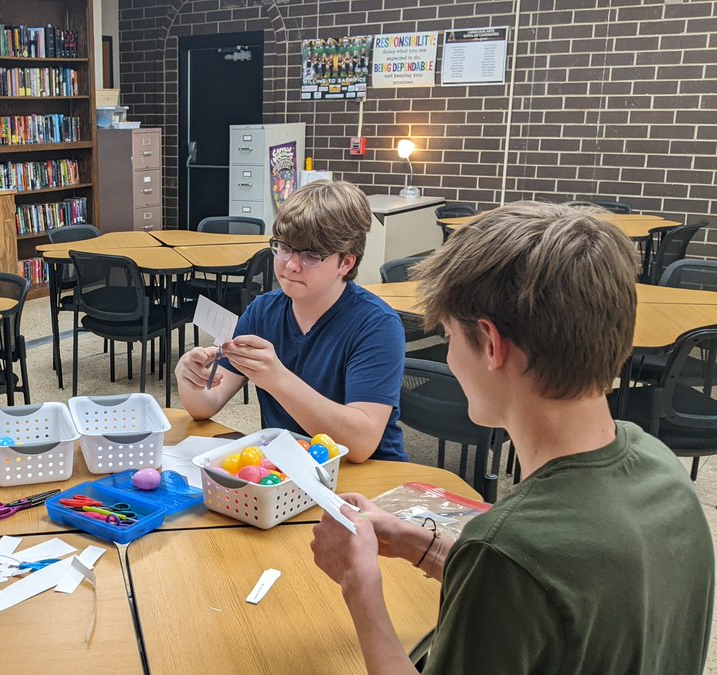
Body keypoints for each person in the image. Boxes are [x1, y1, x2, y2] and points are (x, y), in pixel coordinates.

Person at [309, 201, 715, 673]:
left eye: (448, 338)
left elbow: (521, 569)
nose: (450, 357)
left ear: (491, 345)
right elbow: (559, 593)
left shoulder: (507, 550)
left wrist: (358, 584)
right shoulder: (660, 465)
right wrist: (418, 544)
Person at [175, 180, 406, 462]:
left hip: (368, 473)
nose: (291, 265)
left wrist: (277, 379)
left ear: (346, 263)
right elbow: (206, 405)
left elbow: (360, 445)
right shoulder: (263, 311)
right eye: (284, 248)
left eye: (311, 256)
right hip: (289, 468)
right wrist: (189, 377)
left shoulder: (376, 325)